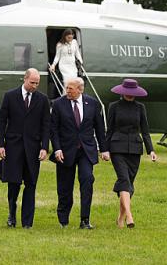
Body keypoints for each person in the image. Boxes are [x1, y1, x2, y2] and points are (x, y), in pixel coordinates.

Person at [0, 68, 51, 229]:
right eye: (32, 82)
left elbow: (46, 125)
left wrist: (44, 147)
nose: (34, 86)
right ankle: (12, 215)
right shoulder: (10, 96)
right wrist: (0, 144)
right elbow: (1, 122)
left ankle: (27, 221)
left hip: (33, 149)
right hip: (13, 147)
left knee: (31, 184)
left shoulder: (42, 99)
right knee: (13, 184)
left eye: (37, 83)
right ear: (25, 79)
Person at [50, 77, 107, 229]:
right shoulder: (58, 104)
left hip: (86, 151)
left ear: (80, 89)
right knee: (64, 187)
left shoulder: (92, 104)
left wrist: (104, 149)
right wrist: (57, 149)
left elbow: (99, 128)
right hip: (65, 152)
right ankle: (63, 220)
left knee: (87, 181)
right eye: (66, 87)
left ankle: (85, 220)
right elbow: (53, 129)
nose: (67, 90)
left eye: (70, 88)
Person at [104, 78, 157, 228]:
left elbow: (145, 131)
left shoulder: (140, 108)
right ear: (122, 92)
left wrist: (151, 150)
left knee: (128, 184)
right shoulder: (114, 106)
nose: (130, 95)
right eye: (127, 93)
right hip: (117, 148)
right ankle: (129, 216)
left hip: (134, 149)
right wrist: (105, 149)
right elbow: (110, 129)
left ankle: (120, 217)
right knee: (124, 180)